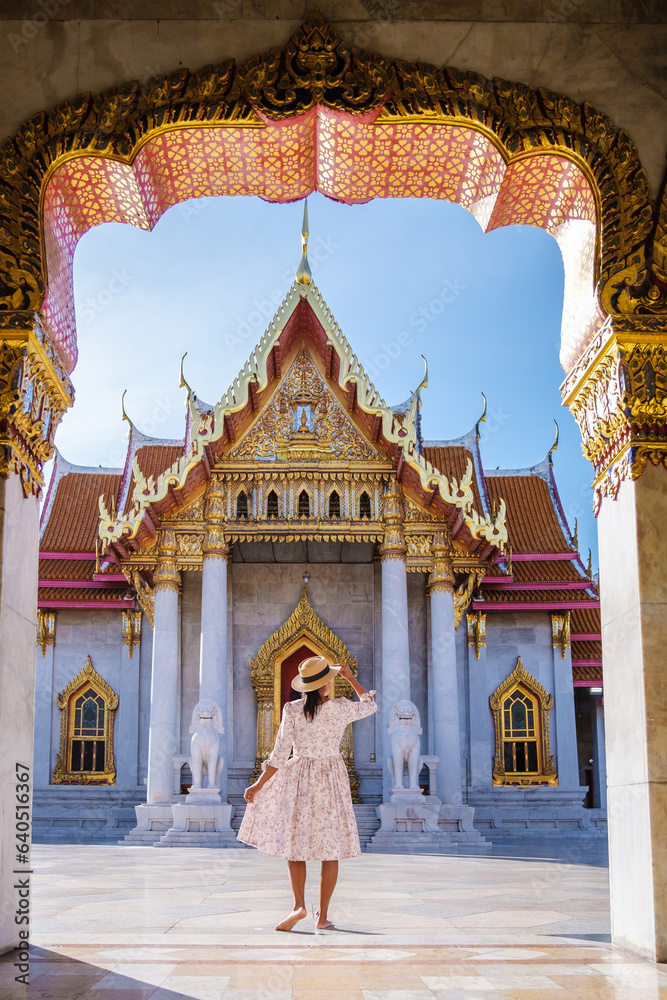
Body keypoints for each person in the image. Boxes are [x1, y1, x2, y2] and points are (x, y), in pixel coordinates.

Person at [237, 655, 377, 931]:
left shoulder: (291, 709)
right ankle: (322, 917)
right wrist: (350, 677)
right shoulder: (339, 708)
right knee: (331, 848)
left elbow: (278, 755)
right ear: (326, 685)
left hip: (299, 776)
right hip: (331, 778)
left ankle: (299, 905)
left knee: (295, 844)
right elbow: (370, 706)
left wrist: (258, 785)